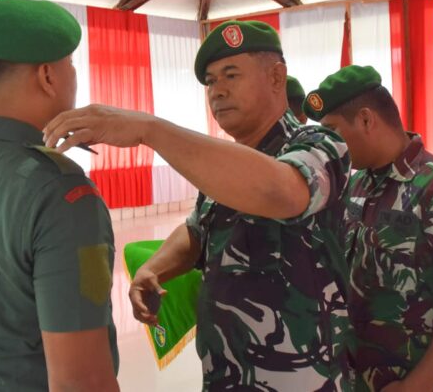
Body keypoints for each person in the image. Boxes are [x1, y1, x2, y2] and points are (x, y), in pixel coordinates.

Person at [44, 20, 353, 390]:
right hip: (227, 373)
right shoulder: (225, 161)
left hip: (302, 377)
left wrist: (150, 130)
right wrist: (154, 269)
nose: (217, 91)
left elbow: (282, 192)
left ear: (276, 77)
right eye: (210, 81)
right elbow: (198, 228)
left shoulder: (319, 145)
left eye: (231, 75)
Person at [0, 0, 119, 392]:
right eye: (70, 65)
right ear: (48, 76)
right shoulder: (63, 193)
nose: (73, 75)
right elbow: (80, 380)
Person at [303, 65, 433, 392]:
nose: (331, 147)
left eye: (334, 131)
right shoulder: (357, 185)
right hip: (362, 377)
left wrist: (414, 387)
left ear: (366, 119)